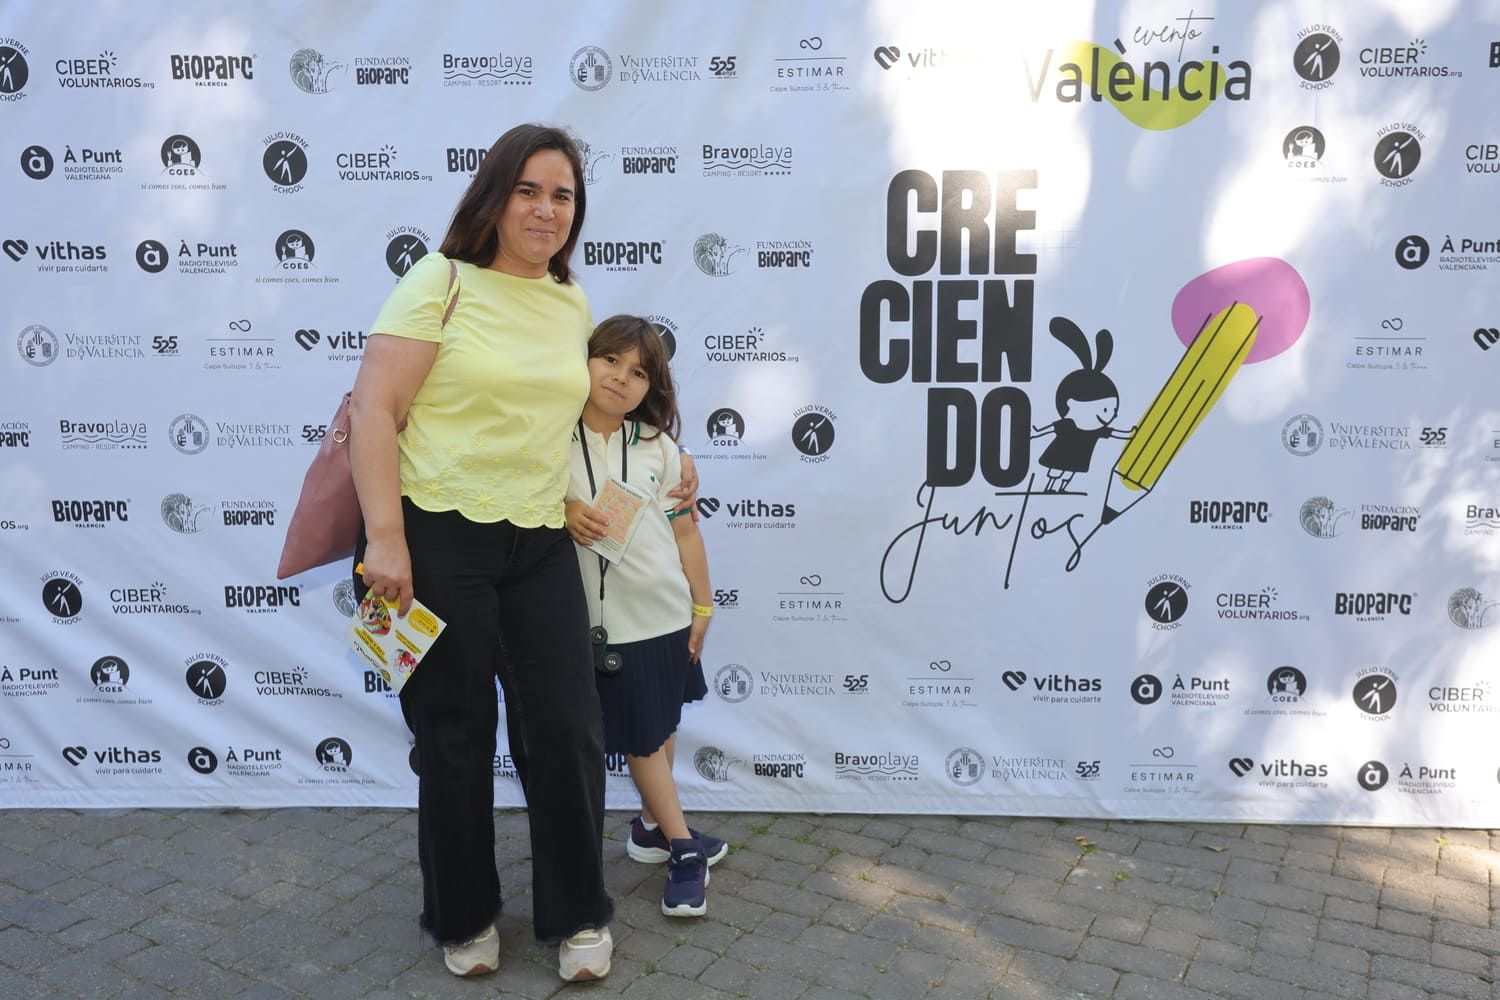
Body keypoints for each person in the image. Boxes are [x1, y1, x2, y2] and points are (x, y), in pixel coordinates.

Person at [347, 123, 695, 982]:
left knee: (569, 729)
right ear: (495, 196)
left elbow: (591, 413)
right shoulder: (441, 282)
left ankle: (576, 916)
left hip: (539, 538)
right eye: (530, 191)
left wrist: (670, 457)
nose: (547, 210)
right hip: (434, 534)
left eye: (563, 196)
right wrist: (387, 541)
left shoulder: (570, 303)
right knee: (456, 735)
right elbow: (374, 411)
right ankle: (462, 916)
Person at [564, 315, 728, 919]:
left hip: (668, 614)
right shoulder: (549, 438)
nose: (620, 378)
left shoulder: (661, 449)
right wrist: (564, 509)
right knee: (638, 736)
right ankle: (685, 849)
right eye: (609, 361)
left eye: (637, 373)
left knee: (660, 726)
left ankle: (653, 829)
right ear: (583, 359)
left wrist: (702, 605)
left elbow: (687, 535)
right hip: (611, 627)